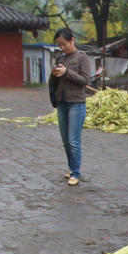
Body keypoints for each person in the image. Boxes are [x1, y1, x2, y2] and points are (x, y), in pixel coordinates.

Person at [48, 28, 91, 186]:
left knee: (73, 140)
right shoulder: (61, 58)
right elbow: (54, 80)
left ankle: (76, 172)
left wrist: (67, 72)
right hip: (62, 102)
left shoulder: (82, 58)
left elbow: (85, 80)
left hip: (76, 103)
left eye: (64, 44)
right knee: (65, 140)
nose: (62, 48)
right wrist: (54, 73)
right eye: (59, 45)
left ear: (72, 40)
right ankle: (71, 167)